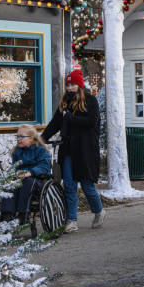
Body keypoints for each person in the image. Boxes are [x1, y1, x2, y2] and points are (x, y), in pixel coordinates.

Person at [42, 69, 104, 233]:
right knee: (69, 185)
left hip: (85, 150)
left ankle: (98, 211)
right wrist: (41, 139)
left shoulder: (90, 101)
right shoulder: (64, 103)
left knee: (87, 185)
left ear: (79, 85)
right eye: (68, 85)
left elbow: (92, 121)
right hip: (68, 149)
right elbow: (55, 123)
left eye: (72, 85)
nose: (69, 88)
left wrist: (71, 118)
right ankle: (72, 220)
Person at [0, 124, 51, 222]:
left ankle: (23, 214)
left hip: (38, 179)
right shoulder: (17, 152)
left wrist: (30, 172)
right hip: (21, 178)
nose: (18, 139)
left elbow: (44, 166)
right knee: (9, 183)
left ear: (31, 138)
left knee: (27, 182)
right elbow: (15, 167)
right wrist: (16, 174)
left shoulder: (40, 150)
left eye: (21, 137)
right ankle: (6, 214)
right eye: (17, 136)